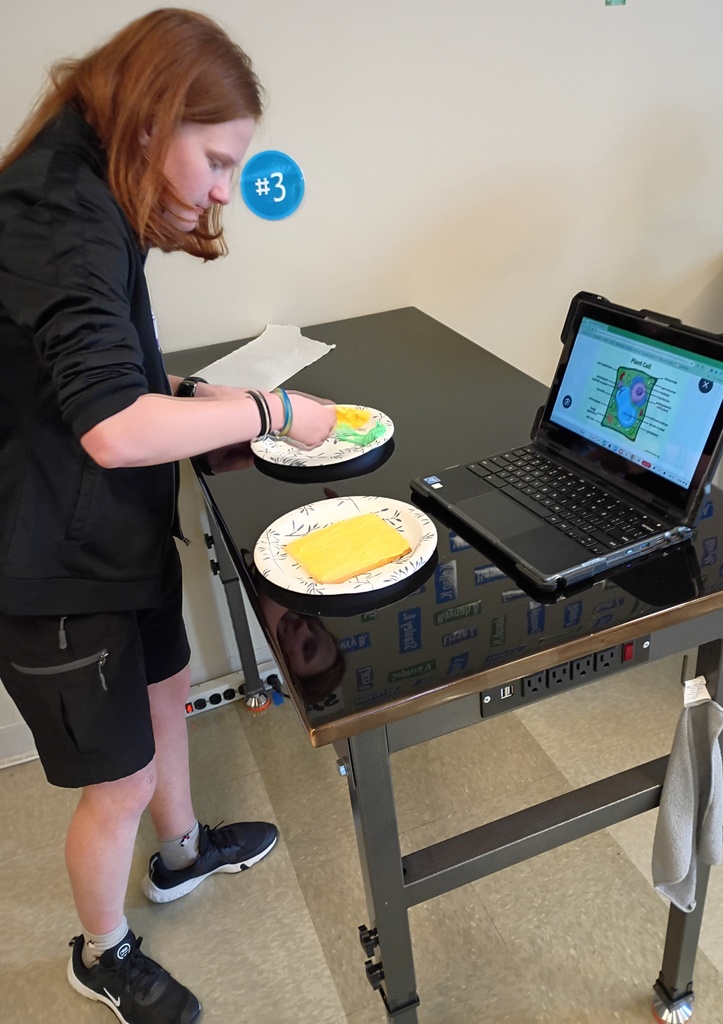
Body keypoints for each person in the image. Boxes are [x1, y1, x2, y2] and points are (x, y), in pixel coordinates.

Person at [0, 9, 337, 1023]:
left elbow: (87, 364)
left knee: (169, 683)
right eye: (221, 159)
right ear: (153, 121)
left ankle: (184, 854)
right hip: (48, 557)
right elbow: (106, 425)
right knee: (118, 782)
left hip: (111, 522)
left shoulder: (93, 174)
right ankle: (102, 952)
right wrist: (271, 409)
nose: (226, 188)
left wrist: (178, 386)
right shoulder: (57, 209)